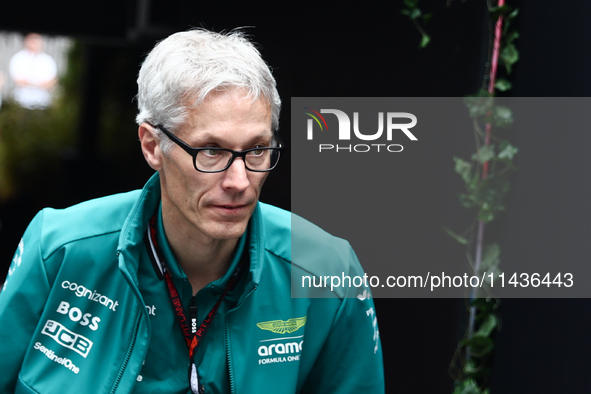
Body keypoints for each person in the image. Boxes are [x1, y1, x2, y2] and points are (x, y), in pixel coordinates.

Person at [0, 29, 384, 393]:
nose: (239, 181)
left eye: (256, 150)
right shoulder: (59, 248)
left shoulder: (329, 273)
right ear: (152, 146)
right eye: (211, 151)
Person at [9, 33, 57, 110]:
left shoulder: (48, 60)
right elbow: (19, 81)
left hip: (43, 104)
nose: (34, 42)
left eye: (37, 39)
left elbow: (51, 82)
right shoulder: (18, 58)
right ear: (26, 40)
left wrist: (31, 82)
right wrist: (39, 83)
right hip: (21, 103)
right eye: (31, 39)